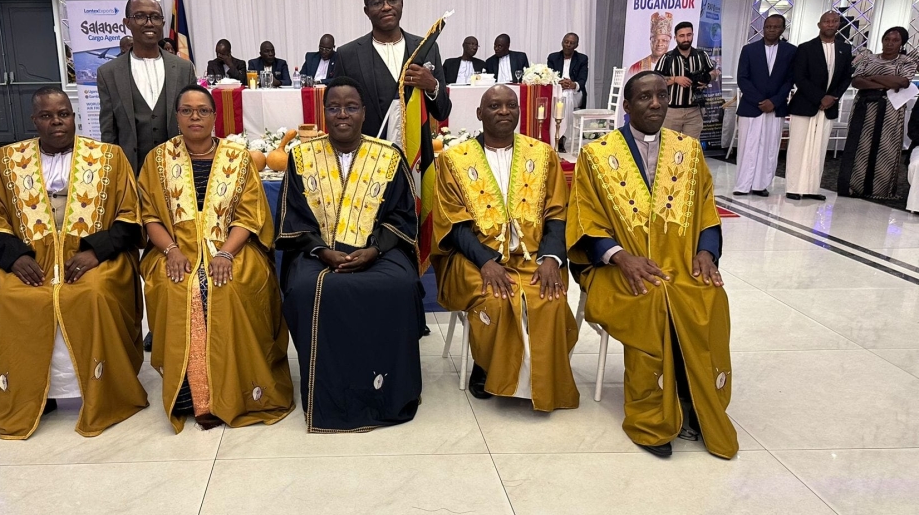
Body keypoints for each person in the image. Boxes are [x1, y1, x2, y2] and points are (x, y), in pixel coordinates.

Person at [567, 71, 737, 460]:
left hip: (680, 262)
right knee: (653, 299)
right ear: (626, 107)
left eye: (662, 95)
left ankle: (695, 397)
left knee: (710, 298)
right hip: (613, 267)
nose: (656, 103)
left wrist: (706, 253)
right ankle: (652, 415)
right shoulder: (597, 155)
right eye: (645, 97)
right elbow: (584, 220)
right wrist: (620, 257)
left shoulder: (688, 152)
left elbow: (708, 212)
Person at [0, 88, 148, 439]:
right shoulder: (7, 159)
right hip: (32, 257)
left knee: (93, 294)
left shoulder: (108, 157)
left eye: (64, 114)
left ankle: (101, 392)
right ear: (34, 120)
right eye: (47, 116)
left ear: (74, 116)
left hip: (92, 254)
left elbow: (131, 218)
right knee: (13, 300)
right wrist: (17, 257)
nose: (57, 122)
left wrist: (95, 252)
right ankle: (36, 395)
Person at [139, 84, 293, 430]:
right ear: (176, 116)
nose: (195, 116)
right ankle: (190, 396)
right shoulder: (157, 160)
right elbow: (149, 215)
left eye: (203, 110)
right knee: (178, 286)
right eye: (187, 110)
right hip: (174, 248)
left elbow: (250, 216)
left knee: (231, 285)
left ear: (214, 116)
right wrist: (171, 250)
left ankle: (239, 392)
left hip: (234, 247)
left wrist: (225, 251)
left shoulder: (237, 158)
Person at [276, 76, 422, 431]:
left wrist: (374, 250)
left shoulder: (388, 156)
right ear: (324, 112)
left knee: (399, 286)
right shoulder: (300, 155)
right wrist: (321, 250)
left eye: (351, 107)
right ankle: (328, 393)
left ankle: (387, 389)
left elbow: (402, 215)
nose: (343, 114)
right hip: (317, 253)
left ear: (364, 113)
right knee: (305, 289)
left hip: (378, 251)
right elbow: (292, 217)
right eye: (334, 107)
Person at [432, 85, 579, 410]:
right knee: (497, 300)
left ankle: (542, 378)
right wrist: (486, 261)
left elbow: (558, 213)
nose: (503, 111)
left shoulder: (543, 155)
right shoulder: (454, 160)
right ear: (480, 114)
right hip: (473, 258)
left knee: (548, 298)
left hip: (535, 256)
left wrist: (552, 258)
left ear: (518, 111)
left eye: (510, 105)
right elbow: (453, 223)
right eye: (495, 106)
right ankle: (486, 367)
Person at [330, 0, 450, 139]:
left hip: (417, 156)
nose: (386, 7)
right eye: (377, 2)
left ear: (402, 3)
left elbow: (442, 112)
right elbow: (339, 110)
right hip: (369, 154)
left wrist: (431, 86)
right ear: (366, 11)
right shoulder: (347, 55)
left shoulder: (427, 48)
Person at [96, 0, 197, 177]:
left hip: (178, 170)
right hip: (131, 173)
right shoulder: (109, 73)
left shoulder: (184, 68)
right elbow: (109, 132)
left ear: (163, 22)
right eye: (140, 16)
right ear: (127, 22)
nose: (149, 23)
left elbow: (194, 122)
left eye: (155, 17)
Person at [838, 27, 918, 200]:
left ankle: (880, 190)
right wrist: (887, 82)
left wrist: (872, 77)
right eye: (887, 39)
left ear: (902, 43)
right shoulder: (869, 57)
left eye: (895, 40)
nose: (889, 43)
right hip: (864, 107)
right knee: (860, 145)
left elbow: (903, 82)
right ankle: (855, 186)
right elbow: (857, 81)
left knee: (886, 146)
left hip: (890, 109)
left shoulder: (906, 61)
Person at [785, 11, 854, 201]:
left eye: (834, 21)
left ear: (838, 24)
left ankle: (811, 188)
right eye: (826, 21)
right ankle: (793, 187)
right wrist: (820, 97)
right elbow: (799, 76)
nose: (830, 24)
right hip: (805, 104)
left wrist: (833, 97)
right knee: (798, 146)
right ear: (819, 24)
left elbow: (847, 76)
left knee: (820, 147)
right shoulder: (806, 48)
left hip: (829, 105)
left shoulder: (845, 49)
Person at [732, 14, 797, 197]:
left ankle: (761, 185)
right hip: (751, 107)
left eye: (775, 27)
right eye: (768, 26)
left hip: (775, 108)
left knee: (768, 147)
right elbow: (742, 78)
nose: (771, 30)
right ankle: (742, 185)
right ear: (763, 27)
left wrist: (774, 102)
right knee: (747, 146)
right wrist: (760, 101)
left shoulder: (791, 51)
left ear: (782, 29)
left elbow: (790, 80)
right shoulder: (749, 50)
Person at [654, 22, 716, 140]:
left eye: (689, 35)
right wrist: (675, 79)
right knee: (669, 148)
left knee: (690, 150)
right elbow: (656, 80)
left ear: (693, 35)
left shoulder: (701, 55)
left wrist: (707, 78)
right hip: (672, 111)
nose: (686, 39)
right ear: (675, 37)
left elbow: (714, 72)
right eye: (681, 36)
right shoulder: (667, 57)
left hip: (694, 111)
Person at [547, 32, 589, 149]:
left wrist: (572, 84)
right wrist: (560, 82)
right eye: (566, 42)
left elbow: (582, 80)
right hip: (558, 91)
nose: (568, 45)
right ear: (562, 42)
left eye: (572, 43)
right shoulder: (553, 57)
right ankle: (558, 135)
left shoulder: (582, 59)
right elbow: (550, 77)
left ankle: (561, 136)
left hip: (576, 94)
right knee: (562, 95)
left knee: (567, 94)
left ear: (576, 45)